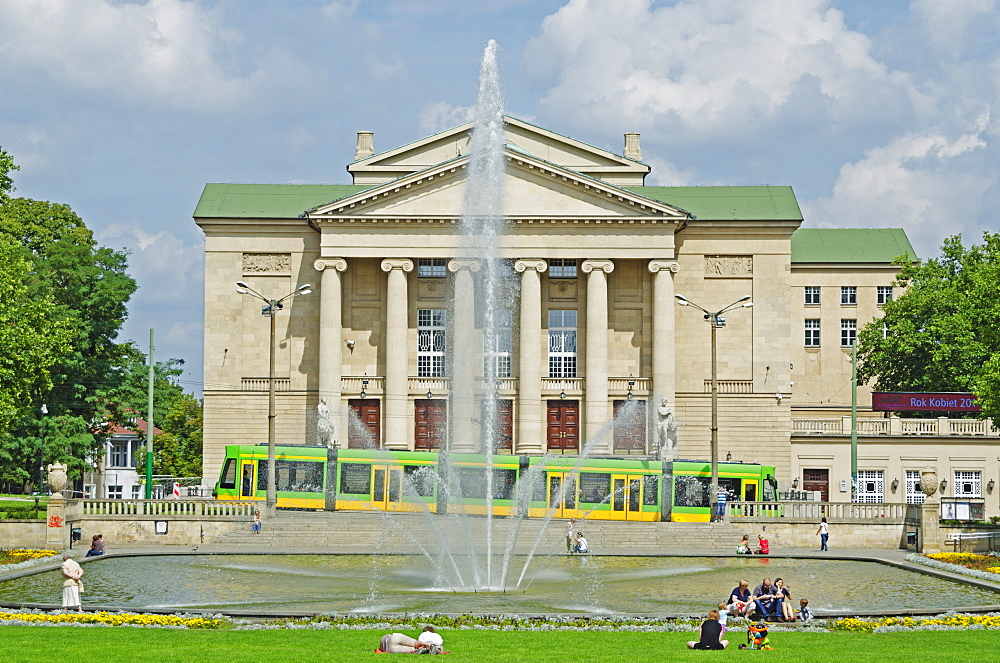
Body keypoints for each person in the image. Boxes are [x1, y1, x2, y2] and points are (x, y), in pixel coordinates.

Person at [377, 625, 444, 654]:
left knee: (414, 647)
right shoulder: (436, 636)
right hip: (392, 643)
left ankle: (425, 649)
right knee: (415, 646)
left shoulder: (383, 641)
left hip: (389, 645)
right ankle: (428, 648)